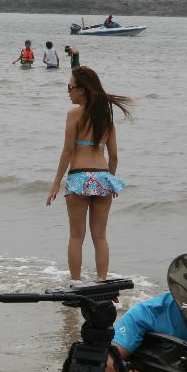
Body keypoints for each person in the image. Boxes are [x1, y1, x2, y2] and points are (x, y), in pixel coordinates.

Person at [46, 66, 131, 280]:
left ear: (82, 90)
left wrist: (56, 182)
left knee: (76, 236)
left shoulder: (74, 114)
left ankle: (76, 284)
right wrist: (110, 180)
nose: (68, 91)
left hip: (79, 177)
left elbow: (68, 151)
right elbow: (114, 157)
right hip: (102, 177)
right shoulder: (106, 117)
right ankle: (102, 281)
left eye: (70, 87)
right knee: (100, 236)